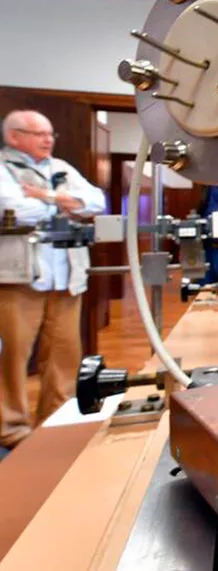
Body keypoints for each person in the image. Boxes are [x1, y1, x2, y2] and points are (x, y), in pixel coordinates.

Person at [0, 110, 105, 449]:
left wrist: (45, 197)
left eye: (50, 134)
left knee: (63, 355)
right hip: (21, 279)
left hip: (66, 278)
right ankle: (12, 429)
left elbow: (97, 202)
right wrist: (64, 204)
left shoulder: (62, 169)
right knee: (12, 357)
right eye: (38, 133)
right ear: (14, 136)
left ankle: (56, 421)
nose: (47, 140)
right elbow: (9, 208)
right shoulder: (4, 168)